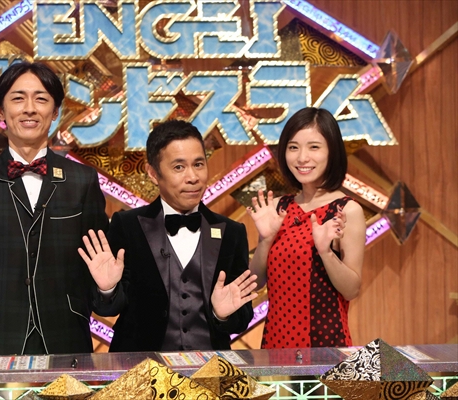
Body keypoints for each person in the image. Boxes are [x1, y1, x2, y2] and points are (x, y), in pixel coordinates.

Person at [0, 61, 109, 356]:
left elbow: (97, 257)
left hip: (66, 334)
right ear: (0, 110)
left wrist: (83, 304)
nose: (30, 109)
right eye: (18, 98)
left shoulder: (82, 181)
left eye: (41, 99)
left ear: (55, 112)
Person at [80, 120, 258, 352]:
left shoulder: (233, 232)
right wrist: (107, 289)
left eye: (198, 164)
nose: (193, 177)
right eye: (179, 167)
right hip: (140, 367)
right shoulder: (127, 225)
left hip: (210, 367)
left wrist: (222, 315)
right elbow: (107, 309)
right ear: (153, 173)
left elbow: (242, 317)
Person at [246, 107, 365, 349]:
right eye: (293, 147)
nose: (302, 158)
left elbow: (351, 290)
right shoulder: (279, 207)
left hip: (325, 346)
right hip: (276, 343)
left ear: (332, 152)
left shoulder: (347, 210)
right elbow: (256, 283)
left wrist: (326, 252)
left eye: (314, 147)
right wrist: (265, 240)